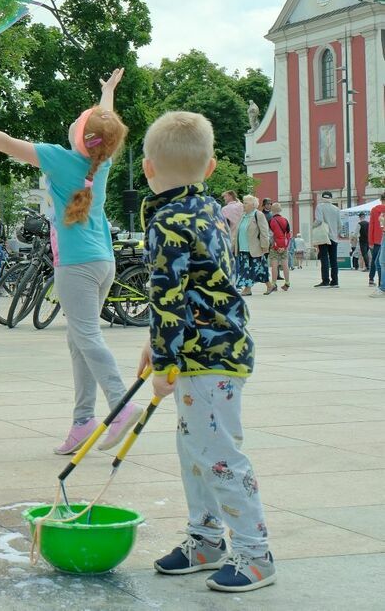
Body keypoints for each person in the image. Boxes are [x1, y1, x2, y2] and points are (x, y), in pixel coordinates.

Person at [0, 68, 140, 455]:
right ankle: (82, 423)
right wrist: (108, 91)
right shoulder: (103, 160)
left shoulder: (60, 158)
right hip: (102, 262)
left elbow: (4, 142)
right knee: (79, 341)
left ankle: (122, 404)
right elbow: (104, 124)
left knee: (87, 338)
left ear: (80, 135)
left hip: (76, 265)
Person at [138, 110, 275, 593]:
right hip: (218, 351)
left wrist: (165, 359)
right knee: (194, 449)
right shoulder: (213, 209)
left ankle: (256, 554)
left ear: (147, 168)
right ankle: (207, 539)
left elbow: (168, 295)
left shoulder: (167, 221)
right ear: (211, 167)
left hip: (206, 357)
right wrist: (155, 346)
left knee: (216, 453)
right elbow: (199, 284)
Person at [235, 195, 271, 296]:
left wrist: (265, 246)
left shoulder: (258, 215)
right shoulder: (243, 216)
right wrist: (234, 246)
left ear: (253, 205)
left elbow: (264, 231)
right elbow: (237, 232)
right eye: (243, 202)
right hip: (243, 248)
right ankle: (269, 285)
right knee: (258, 269)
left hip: (255, 248)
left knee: (251, 270)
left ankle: (247, 289)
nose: (243, 204)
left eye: (246, 203)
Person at [312, 191, 342, 288]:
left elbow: (319, 220)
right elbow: (340, 224)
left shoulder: (320, 206)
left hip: (324, 236)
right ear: (331, 198)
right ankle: (335, 281)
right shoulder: (336, 209)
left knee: (324, 259)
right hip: (334, 237)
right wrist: (336, 233)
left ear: (322, 198)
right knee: (334, 260)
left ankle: (325, 281)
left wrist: (313, 226)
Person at [266, 203, 291, 293]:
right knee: (285, 265)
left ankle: (274, 284)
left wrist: (275, 246)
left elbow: (271, 235)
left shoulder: (271, 221)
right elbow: (288, 234)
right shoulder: (285, 220)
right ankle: (287, 283)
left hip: (275, 246)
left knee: (274, 265)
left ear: (272, 211)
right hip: (284, 245)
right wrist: (284, 246)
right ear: (280, 210)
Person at [369, 193, 385, 288]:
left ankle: (380, 283)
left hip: (377, 240)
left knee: (377, 262)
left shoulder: (375, 210)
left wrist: (370, 241)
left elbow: (372, 226)